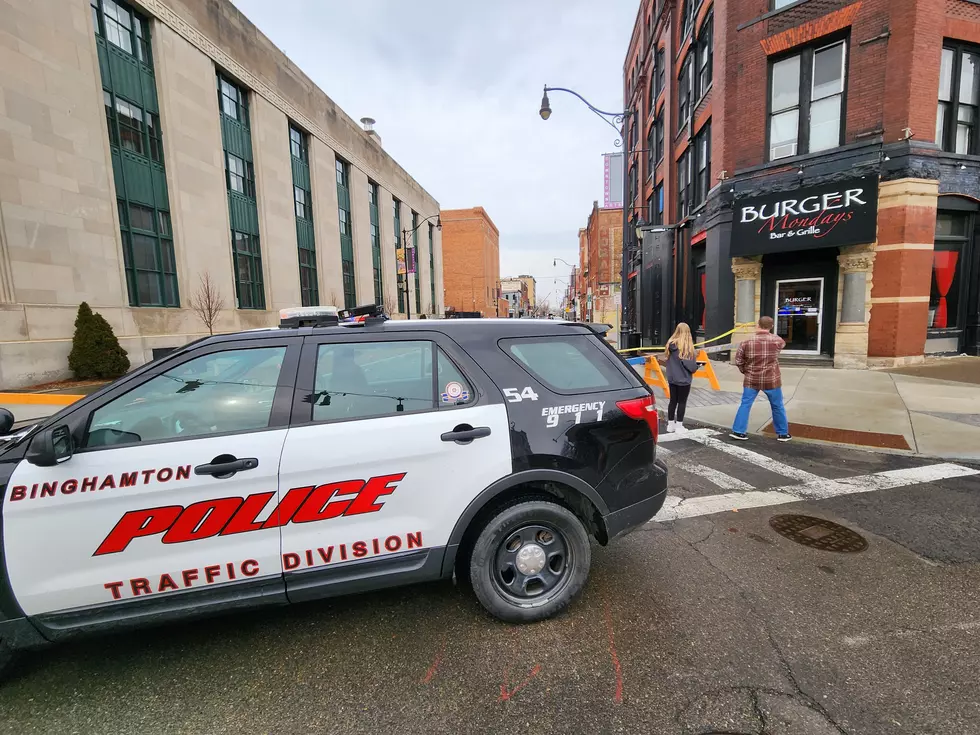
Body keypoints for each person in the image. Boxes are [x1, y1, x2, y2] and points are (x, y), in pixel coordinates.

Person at [730, 316, 791, 442]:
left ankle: (739, 431)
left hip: (751, 379)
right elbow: (782, 345)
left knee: (745, 404)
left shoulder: (747, 342)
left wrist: (745, 371)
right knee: (777, 406)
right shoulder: (777, 341)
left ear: (758, 325)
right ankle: (783, 433)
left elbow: (738, 360)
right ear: (772, 326)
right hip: (771, 379)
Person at [662, 322, 700, 433]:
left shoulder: (670, 345)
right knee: (682, 402)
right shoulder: (687, 348)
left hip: (672, 378)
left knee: (672, 401)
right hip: (684, 379)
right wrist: (697, 366)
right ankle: (679, 425)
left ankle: (670, 425)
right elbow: (690, 367)